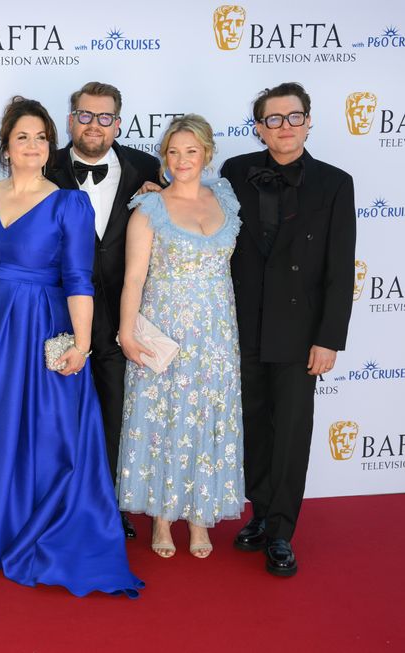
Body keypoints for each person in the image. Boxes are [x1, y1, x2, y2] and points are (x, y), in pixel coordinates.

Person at [0, 96, 142, 598]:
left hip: (40, 330)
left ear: (50, 145)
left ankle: (37, 528)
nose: (31, 146)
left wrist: (80, 342)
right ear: (5, 147)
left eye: (39, 137)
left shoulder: (69, 203)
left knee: (42, 433)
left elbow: (78, 278)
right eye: (20, 137)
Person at [221, 83, 355, 577]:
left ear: (308, 120)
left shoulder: (336, 183)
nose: (284, 127)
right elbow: (196, 209)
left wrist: (329, 338)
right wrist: (156, 188)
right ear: (259, 126)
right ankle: (259, 514)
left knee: (292, 432)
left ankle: (281, 530)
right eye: (273, 119)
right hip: (243, 324)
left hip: (300, 332)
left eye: (293, 117)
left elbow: (341, 268)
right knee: (255, 426)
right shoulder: (235, 171)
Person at [116, 114, 245, 560]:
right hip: (165, 329)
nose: (182, 159)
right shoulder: (150, 208)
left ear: (207, 154)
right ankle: (164, 518)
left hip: (217, 333)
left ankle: (199, 514)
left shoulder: (226, 197)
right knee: (164, 421)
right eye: (173, 151)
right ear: (164, 158)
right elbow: (133, 279)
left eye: (191, 151)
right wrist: (127, 334)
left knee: (208, 417)